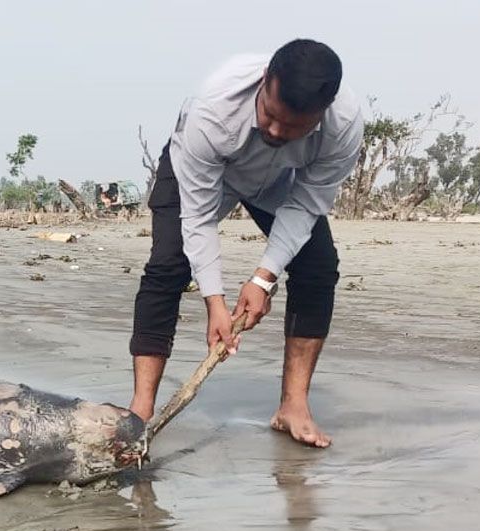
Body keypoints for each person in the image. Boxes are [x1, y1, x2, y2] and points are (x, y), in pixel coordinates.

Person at [128, 39, 361, 449]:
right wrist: (215, 302)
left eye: (292, 128)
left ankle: (293, 405)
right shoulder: (213, 109)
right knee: (168, 265)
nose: (274, 131)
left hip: (278, 183)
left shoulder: (345, 126)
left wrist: (263, 278)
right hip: (203, 173)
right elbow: (198, 217)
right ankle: (140, 410)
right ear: (265, 79)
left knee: (318, 266)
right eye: (270, 115)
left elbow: (306, 204)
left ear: (322, 113)